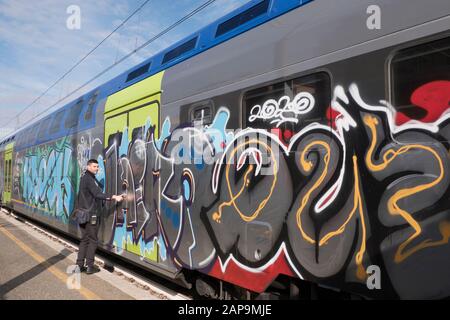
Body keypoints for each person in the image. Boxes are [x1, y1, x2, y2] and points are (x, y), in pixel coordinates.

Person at [75, 159, 124, 274]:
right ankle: (89, 266)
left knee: (84, 239)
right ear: (88, 167)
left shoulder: (83, 178)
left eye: (97, 166)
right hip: (90, 215)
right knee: (93, 240)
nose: (96, 168)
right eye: (94, 166)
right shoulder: (89, 179)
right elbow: (97, 194)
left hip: (82, 214)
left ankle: (79, 265)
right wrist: (114, 197)